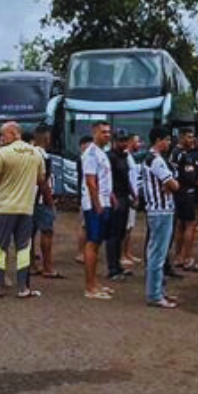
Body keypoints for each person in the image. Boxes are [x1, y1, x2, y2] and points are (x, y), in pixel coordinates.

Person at [0, 121, 45, 298]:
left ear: (14, 133)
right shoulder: (36, 153)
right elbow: (40, 179)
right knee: (23, 248)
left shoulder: (3, 153)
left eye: (3, 135)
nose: (1, 138)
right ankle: (23, 287)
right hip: (26, 208)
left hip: (4, 207)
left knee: (0, 247)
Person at [139, 127, 180, 309]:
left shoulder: (150, 159)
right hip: (161, 210)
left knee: (157, 252)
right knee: (158, 254)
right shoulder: (156, 161)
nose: (169, 143)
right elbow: (173, 184)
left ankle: (158, 291)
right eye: (167, 139)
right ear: (158, 140)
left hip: (157, 210)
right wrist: (171, 184)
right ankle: (155, 294)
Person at [79, 123, 114, 299]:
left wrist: (111, 197)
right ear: (94, 133)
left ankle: (95, 282)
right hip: (95, 204)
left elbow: (104, 179)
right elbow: (91, 181)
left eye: (109, 132)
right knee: (92, 242)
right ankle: (90, 287)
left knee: (98, 242)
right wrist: (97, 204)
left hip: (104, 201)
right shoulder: (91, 154)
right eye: (103, 132)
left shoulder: (101, 153)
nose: (107, 135)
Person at [172, 129, 198, 273]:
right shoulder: (178, 153)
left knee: (182, 225)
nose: (192, 140)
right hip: (184, 193)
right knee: (190, 224)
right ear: (181, 138)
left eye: (193, 137)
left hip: (186, 192)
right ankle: (187, 259)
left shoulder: (185, 153)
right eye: (188, 137)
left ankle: (179, 257)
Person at [105, 129, 134, 281]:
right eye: (120, 141)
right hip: (115, 198)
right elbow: (106, 179)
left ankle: (117, 265)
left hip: (124, 197)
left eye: (125, 140)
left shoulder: (124, 156)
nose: (123, 143)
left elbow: (127, 178)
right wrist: (111, 196)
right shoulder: (110, 157)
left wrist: (133, 194)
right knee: (113, 235)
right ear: (114, 141)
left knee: (121, 233)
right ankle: (112, 268)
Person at [31, 126, 60, 278]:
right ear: (46, 138)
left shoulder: (28, 153)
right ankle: (47, 267)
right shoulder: (44, 156)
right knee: (47, 232)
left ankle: (31, 265)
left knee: (29, 233)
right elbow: (44, 182)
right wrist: (51, 202)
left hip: (28, 199)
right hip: (41, 199)